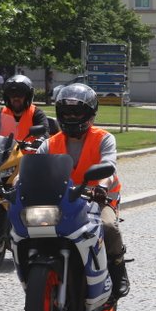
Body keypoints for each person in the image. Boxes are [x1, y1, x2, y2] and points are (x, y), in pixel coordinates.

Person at [36, 83, 130, 298]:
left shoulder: (104, 138)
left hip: (98, 199)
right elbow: (34, 166)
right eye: (66, 112)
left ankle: (118, 268)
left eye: (77, 112)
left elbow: (109, 167)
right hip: (63, 200)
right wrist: (17, 185)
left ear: (89, 114)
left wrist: (102, 188)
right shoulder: (49, 144)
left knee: (108, 227)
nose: (70, 116)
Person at [0, 74, 50, 144]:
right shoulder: (1, 113)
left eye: (20, 94)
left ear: (28, 96)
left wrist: (41, 140)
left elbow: (45, 131)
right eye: (12, 94)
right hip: (4, 156)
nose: (16, 98)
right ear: (7, 97)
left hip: (29, 156)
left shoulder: (36, 114)